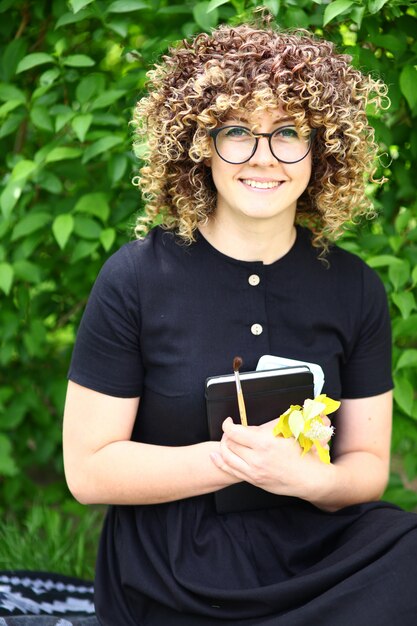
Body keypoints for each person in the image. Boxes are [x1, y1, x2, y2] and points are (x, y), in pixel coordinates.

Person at [62, 15, 417, 626]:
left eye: (287, 133)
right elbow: (89, 470)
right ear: (201, 146)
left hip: (313, 547)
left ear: (321, 148)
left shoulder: (354, 285)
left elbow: (365, 468)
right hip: (179, 562)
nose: (264, 158)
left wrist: (303, 478)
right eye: (237, 133)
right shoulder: (135, 280)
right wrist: (233, 462)